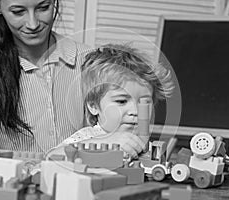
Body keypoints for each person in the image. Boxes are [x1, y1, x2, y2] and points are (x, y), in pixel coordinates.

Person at [0, 0, 91, 153]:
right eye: (18, 11)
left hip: (76, 175)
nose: (33, 24)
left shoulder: (87, 59)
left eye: (43, 8)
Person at [46, 43, 174, 159]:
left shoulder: (142, 141)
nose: (135, 111)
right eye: (122, 101)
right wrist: (104, 142)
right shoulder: (88, 137)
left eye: (145, 102)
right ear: (93, 106)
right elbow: (51, 157)